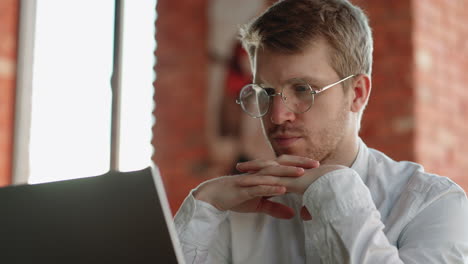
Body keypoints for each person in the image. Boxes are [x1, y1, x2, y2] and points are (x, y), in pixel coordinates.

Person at [174, 0, 468, 263]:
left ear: (357, 94)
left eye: (303, 89)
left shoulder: (434, 204)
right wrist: (203, 204)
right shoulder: (231, 214)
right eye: (265, 92)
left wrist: (334, 191)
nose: (277, 116)